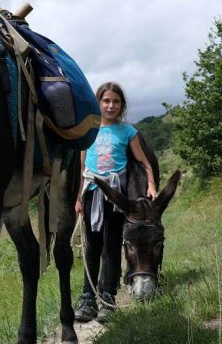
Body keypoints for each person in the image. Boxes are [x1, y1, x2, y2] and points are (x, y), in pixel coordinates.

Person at [74, 82, 158, 323]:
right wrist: (78, 197)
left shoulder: (127, 131)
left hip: (116, 196)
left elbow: (143, 162)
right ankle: (87, 298)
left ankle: (107, 298)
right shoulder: (88, 131)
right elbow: (81, 168)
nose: (111, 106)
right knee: (92, 246)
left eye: (116, 102)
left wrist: (151, 185)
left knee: (111, 246)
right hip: (91, 191)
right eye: (106, 101)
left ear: (121, 105)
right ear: (98, 103)